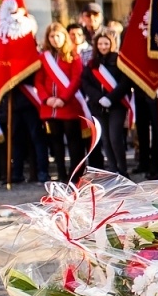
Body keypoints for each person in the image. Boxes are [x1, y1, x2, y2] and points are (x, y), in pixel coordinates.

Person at [35, 22, 85, 181]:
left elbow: (76, 79)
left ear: (64, 36)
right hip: (50, 107)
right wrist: (47, 99)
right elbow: (39, 81)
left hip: (68, 105)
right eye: (51, 36)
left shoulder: (73, 56)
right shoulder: (43, 58)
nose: (55, 39)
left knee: (73, 142)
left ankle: (75, 174)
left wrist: (63, 98)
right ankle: (61, 173)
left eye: (58, 35)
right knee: (55, 142)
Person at [79, 30, 129, 173]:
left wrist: (110, 98)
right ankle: (113, 171)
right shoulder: (91, 64)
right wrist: (98, 98)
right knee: (105, 140)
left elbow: (125, 83)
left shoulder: (120, 61)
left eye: (106, 43)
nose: (103, 46)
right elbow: (85, 82)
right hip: (97, 106)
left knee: (115, 138)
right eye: (100, 44)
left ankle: (123, 170)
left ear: (111, 44)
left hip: (116, 105)